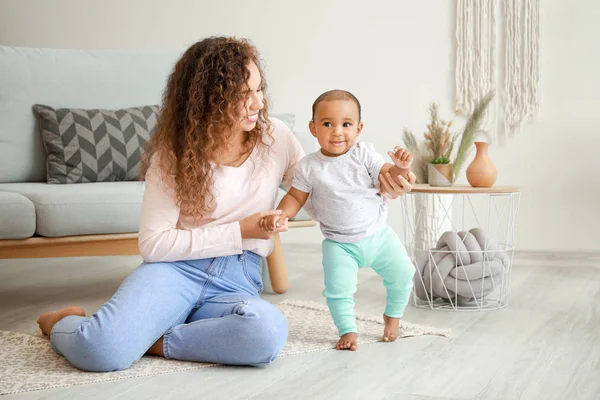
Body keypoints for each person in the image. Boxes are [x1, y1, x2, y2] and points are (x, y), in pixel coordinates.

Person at [36, 38, 414, 372]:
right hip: (173, 272)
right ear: (207, 99)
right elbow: (153, 244)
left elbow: (319, 198)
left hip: (239, 276)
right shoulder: (173, 155)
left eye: (259, 89)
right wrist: (240, 231)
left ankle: (148, 340)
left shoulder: (276, 138)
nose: (258, 103)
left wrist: (382, 189)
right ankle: (62, 324)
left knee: (266, 333)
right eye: (242, 93)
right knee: (99, 351)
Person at [260, 89, 417, 352]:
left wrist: (401, 168)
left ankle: (393, 316)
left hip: (379, 236)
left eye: (346, 124)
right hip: (339, 244)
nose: (337, 131)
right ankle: (348, 329)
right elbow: (296, 198)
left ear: (358, 128)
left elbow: (388, 174)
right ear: (313, 128)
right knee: (338, 290)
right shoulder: (309, 166)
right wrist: (280, 214)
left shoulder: (364, 153)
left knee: (404, 273)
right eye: (327, 124)